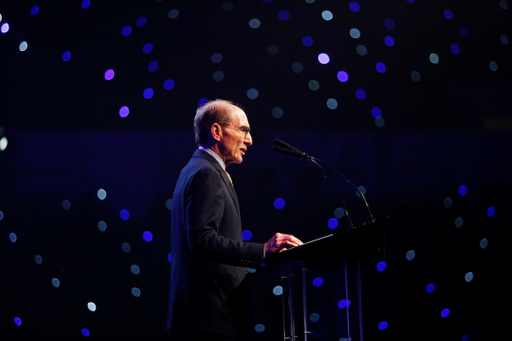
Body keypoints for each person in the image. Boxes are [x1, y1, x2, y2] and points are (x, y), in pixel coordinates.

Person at [167, 99, 303, 340]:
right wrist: (263, 250)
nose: (249, 140)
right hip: (209, 316)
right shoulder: (206, 173)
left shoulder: (198, 168)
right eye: (243, 130)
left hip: (204, 315)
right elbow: (201, 240)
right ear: (217, 131)